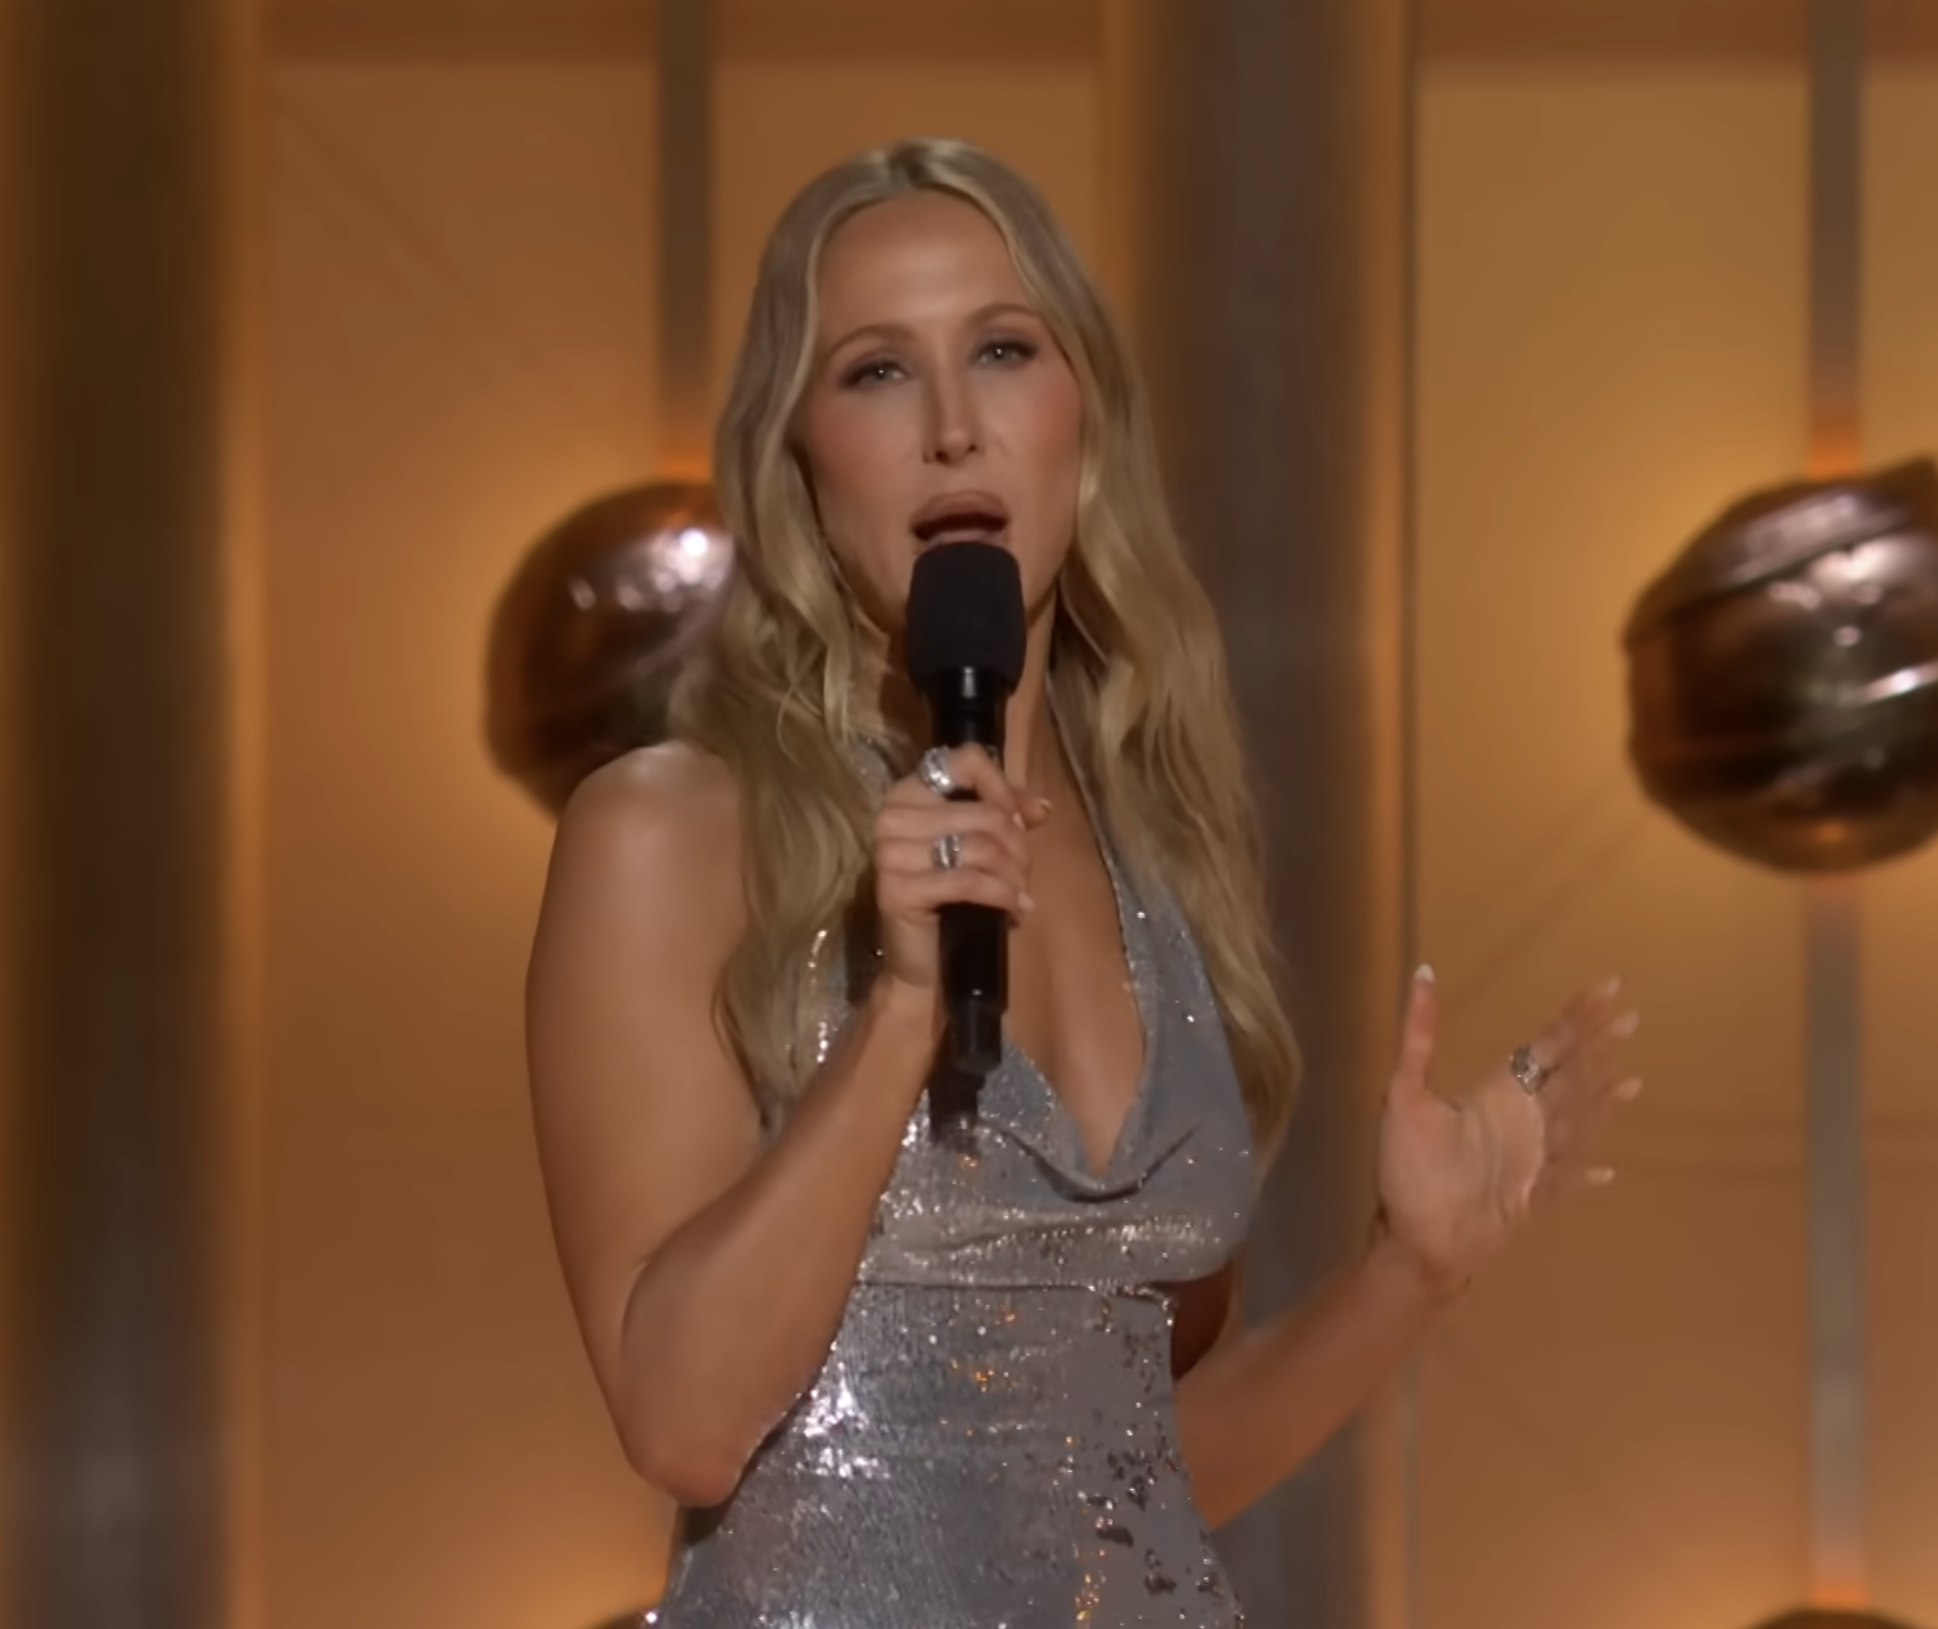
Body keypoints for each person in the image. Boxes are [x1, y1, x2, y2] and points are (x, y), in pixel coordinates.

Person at [525, 136, 1640, 1628]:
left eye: (999, 351)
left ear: (1083, 422)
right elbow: (678, 1417)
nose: (949, 430)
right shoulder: (669, 836)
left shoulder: (1156, 858)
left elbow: (1124, 1482)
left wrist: (1408, 1279)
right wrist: (901, 1013)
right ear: (796, 460)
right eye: (872, 373)